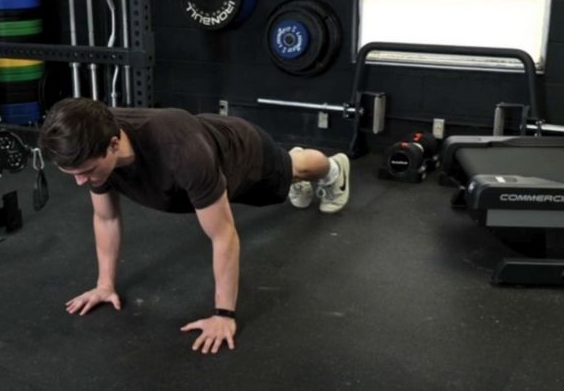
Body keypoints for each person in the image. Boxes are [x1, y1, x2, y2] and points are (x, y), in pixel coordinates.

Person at [38, 97, 351, 355]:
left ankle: (334, 169)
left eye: (87, 171)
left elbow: (223, 234)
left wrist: (223, 315)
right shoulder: (91, 141)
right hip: (201, 153)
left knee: (295, 168)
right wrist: (105, 285)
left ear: (114, 144)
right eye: (73, 173)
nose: (80, 181)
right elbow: (106, 217)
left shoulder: (180, 150)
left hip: (242, 151)